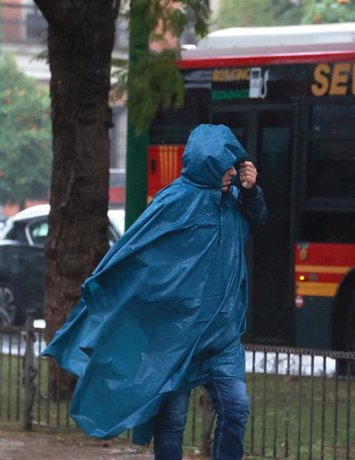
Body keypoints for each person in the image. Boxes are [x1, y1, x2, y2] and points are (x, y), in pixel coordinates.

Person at [42, 124, 267, 460]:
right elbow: (136, 253)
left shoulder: (235, 201)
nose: (233, 171)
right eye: (226, 165)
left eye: (235, 164)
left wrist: (251, 192)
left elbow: (258, 222)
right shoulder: (173, 202)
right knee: (172, 424)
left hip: (221, 336)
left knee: (236, 409)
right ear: (207, 165)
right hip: (172, 337)